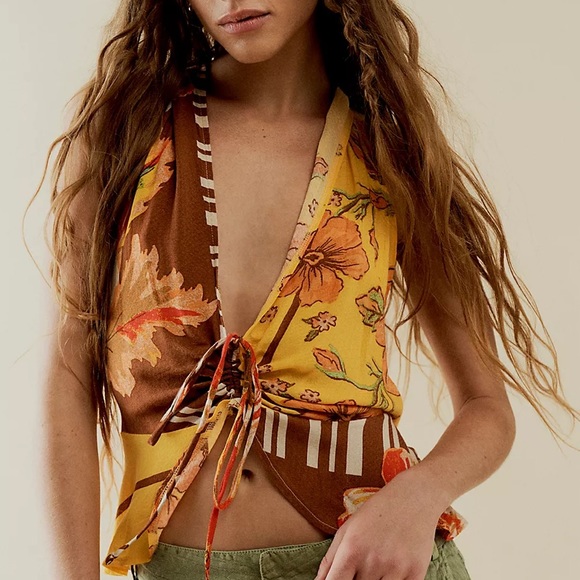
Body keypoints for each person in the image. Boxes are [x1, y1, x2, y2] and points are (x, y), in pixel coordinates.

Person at [38, 1, 580, 579]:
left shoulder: (389, 153)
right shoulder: (126, 134)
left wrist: (416, 497)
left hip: (367, 565)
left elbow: (486, 407)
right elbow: (71, 374)